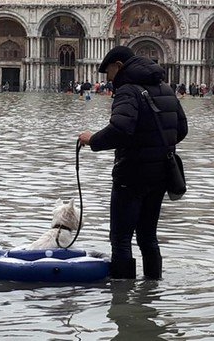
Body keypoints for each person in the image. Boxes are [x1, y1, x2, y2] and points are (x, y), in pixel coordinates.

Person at [78, 46, 188, 280]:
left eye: (108, 71)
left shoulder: (127, 91)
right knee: (148, 237)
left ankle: (122, 292)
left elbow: (119, 130)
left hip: (132, 175)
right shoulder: (166, 89)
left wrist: (92, 140)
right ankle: (153, 288)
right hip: (161, 175)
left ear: (118, 66)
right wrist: (154, 146)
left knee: (121, 238)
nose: (108, 79)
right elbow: (181, 129)